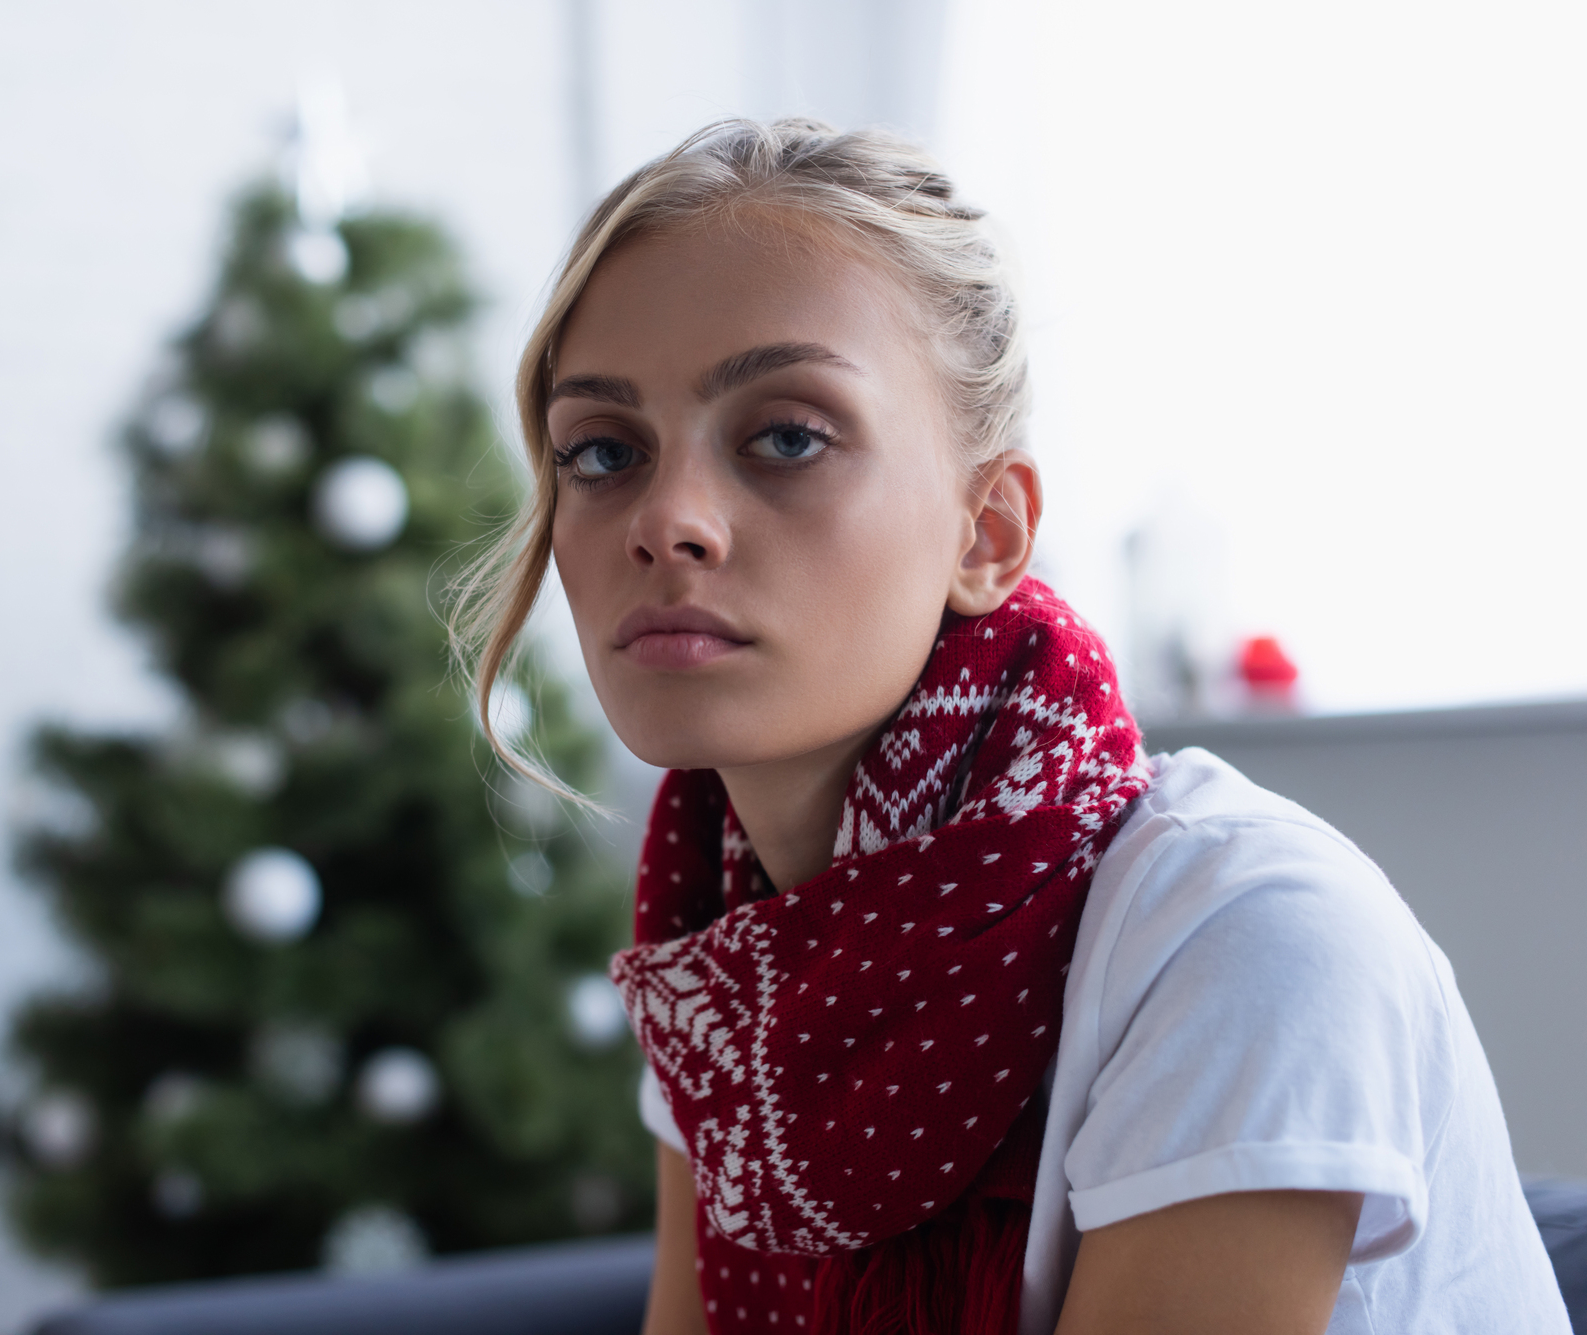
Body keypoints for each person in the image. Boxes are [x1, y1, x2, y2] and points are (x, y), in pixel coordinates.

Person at [452, 119, 1567, 1334]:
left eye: (785, 437)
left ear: (987, 531)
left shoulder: (1246, 939)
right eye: (602, 451)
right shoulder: (720, 963)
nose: (667, 521)